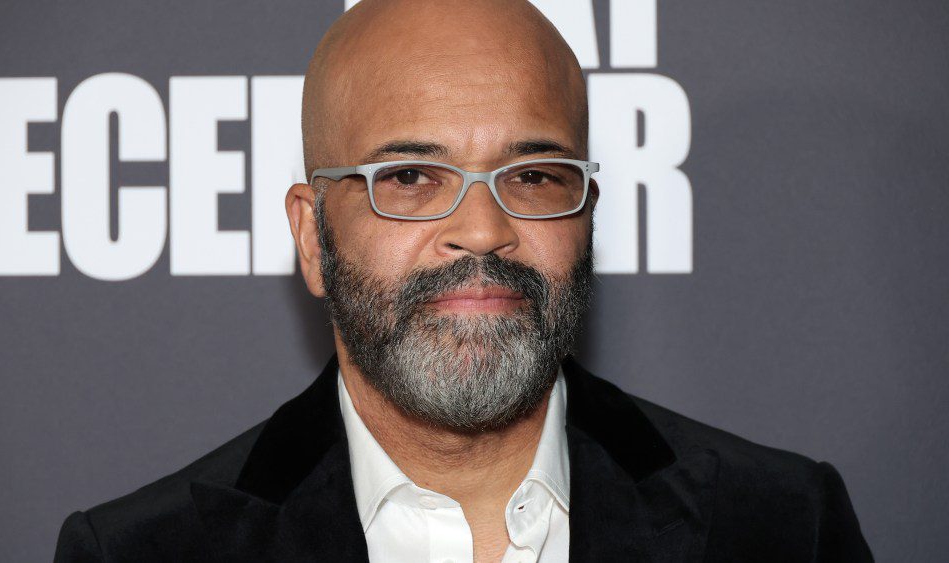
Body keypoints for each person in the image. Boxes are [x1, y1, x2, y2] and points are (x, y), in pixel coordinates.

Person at [54, 0, 872, 561]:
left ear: (586, 211)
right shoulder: (144, 550)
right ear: (311, 235)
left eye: (535, 176)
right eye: (410, 177)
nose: (482, 231)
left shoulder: (783, 526)